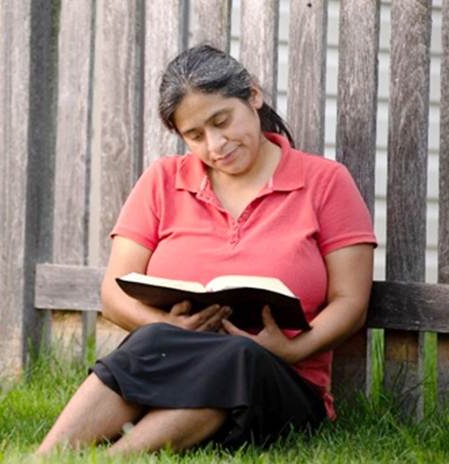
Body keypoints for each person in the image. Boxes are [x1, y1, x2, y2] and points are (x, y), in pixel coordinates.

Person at [36, 44, 376, 455]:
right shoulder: (162, 180)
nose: (215, 145)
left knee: (236, 354)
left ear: (252, 95)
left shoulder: (325, 182)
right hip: (175, 357)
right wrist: (165, 327)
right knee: (150, 339)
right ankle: (45, 457)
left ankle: (115, 459)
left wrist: (294, 348)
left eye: (221, 121)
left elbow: (351, 300)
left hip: (282, 378)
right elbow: (113, 293)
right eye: (195, 136)